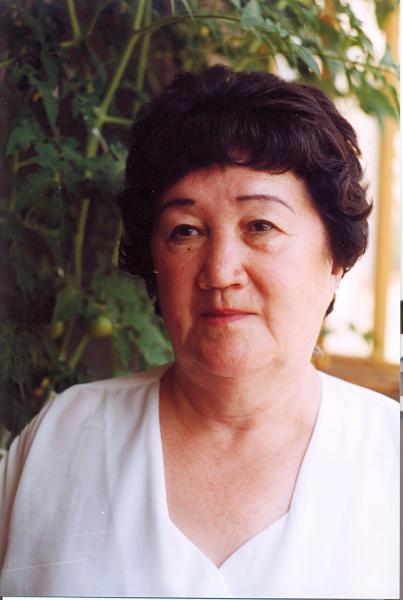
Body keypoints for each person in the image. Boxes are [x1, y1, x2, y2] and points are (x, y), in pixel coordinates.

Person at [0, 65, 398, 598]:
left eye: (261, 226)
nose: (219, 271)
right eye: (185, 231)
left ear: (335, 260)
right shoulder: (63, 437)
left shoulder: (390, 458)